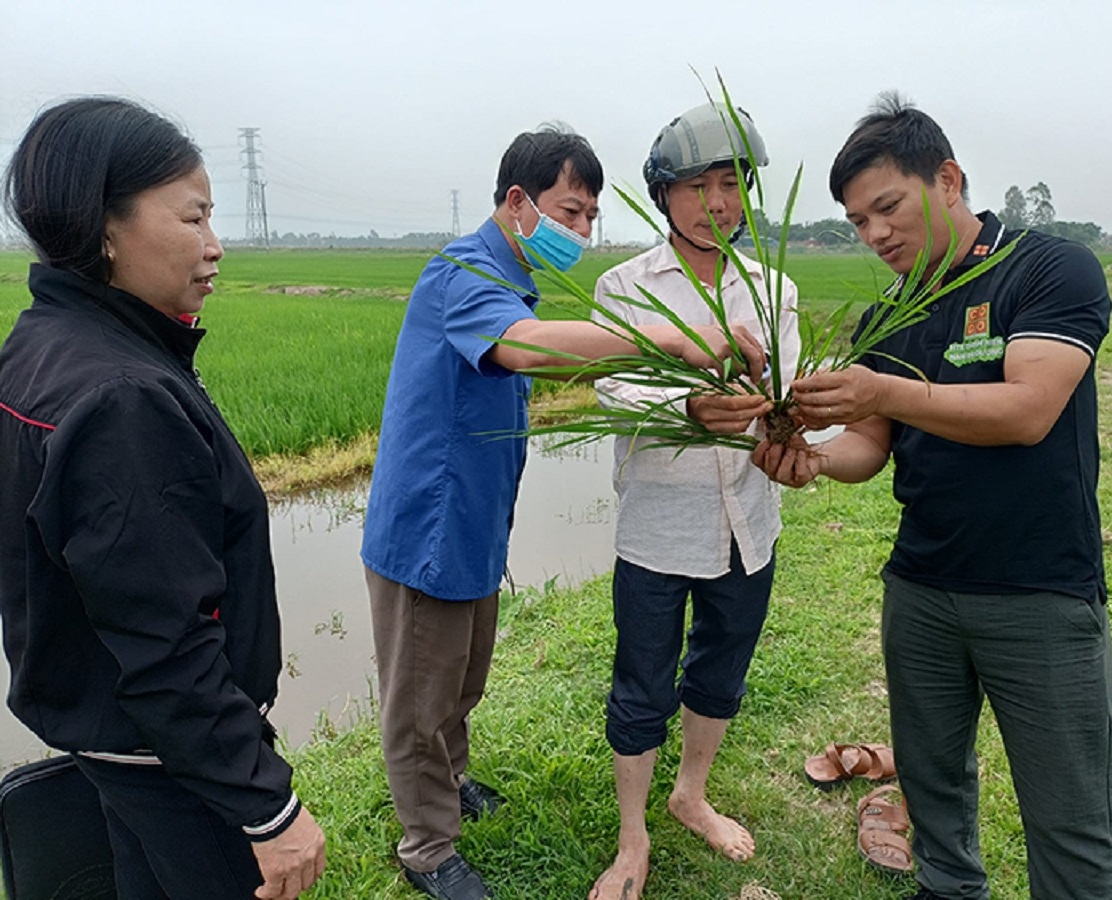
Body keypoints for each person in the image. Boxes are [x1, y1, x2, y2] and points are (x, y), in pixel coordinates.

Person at [360, 124, 764, 900]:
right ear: (518, 203)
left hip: (475, 526)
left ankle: (451, 784)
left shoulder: (508, 278)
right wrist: (668, 338)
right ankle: (426, 847)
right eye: (568, 212)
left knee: (460, 680)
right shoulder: (464, 274)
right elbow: (531, 347)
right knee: (420, 697)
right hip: (429, 531)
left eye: (588, 218)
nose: (580, 232)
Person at [753, 94, 1112, 899]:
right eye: (858, 222)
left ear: (947, 180)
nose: (876, 234)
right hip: (921, 586)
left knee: (1069, 817)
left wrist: (882, 390)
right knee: (934, 787)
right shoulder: (889, 315)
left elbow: (1027, 412)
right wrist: (814, 459)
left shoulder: (1046, 268)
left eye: (887, 207)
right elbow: (870, 447)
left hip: (1039, 591)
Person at [0, 97, 326, 899]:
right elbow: (168, 638)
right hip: (170, 756)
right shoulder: (121, 396)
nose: (216, 247)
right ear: (104, 226)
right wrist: (266, 807)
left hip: (110, 736)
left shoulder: (41, 345)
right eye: (194, 218)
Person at [586, 104, 798, 900]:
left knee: (721, 667)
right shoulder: (625, 287)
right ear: (663, 195)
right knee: (641, 681)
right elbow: (613, 385)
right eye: (699, 184)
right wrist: (687, 405)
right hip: (658, 530)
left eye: (732, 182)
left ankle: (691, 794)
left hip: (749, 526)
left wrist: (776, 402)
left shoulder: (771, 289)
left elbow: (790, 399)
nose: (719, 201)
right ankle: (632, 835)